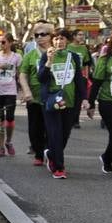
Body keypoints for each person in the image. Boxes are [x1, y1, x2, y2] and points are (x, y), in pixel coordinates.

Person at [37, 31, 84, 179]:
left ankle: (51, 154)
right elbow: (41, 78)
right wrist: (49, 62)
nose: (59, 42)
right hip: (51, 101)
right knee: (55, 134)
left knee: (64, 135)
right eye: (56, 39)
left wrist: (85, 99)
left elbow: (79, 79)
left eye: (62, 39)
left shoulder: (74, 57)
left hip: (70, 102)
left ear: (67, 41)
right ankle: (59, 167)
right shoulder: (46, 56)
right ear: (52, 41)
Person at [0, 35, 31, 157]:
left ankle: (8, 142)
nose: (0, 44)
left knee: (9, 118)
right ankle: (0, 146)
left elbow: (21, 75)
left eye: (3, 42)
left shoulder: (17, 57)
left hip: (10, 91)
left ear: (10, 43)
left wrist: (25, 92)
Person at [23, 21, 52, 165]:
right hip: (34, 97)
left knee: (51, 127)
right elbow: (22, 75)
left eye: (43, 34)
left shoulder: (57, 53)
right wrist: (26, 91)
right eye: (36, 35)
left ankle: (50, 152)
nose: (39, 37)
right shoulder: (30, 55)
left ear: (51, 36)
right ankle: (39, 154)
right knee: (35, 128)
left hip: (52, 96)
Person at [90, 38, 112, 177]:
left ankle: (107, 157)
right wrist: (90, 103)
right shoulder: (105, 60)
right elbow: (96, 83)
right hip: (108, 102)